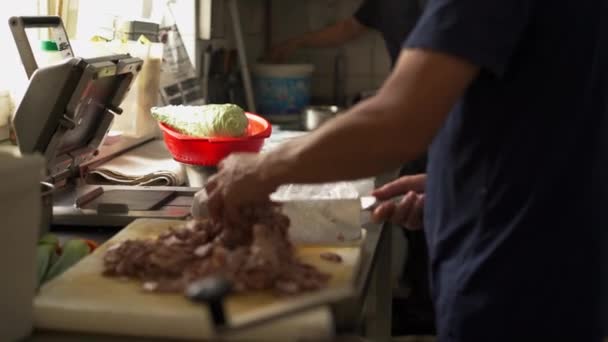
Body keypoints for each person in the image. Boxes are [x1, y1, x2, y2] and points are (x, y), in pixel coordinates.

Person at [204, 0, 607, 340]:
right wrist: (450, 190)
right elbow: (542, 117)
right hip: (550, 263)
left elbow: (398, 121)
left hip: (514, 280)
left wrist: (260, 168)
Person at [270, 1, 434, 334]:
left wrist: (268, 169)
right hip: (422, 124)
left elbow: (400, 106)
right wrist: (297, 42)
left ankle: (426, 307)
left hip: (432, 119)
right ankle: (423, 301)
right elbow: (347, 28)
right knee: (417, 211)